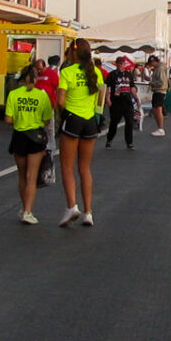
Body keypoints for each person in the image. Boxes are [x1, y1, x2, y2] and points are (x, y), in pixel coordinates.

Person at [56, 38, 105, 227]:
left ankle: (71, 206)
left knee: (67, 166)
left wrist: (62, 115)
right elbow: (101, 100)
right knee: (85, 168)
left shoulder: (67, 72)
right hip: (90, 120)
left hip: (72, 118)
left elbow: (60, 100)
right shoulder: (97, 73)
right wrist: (96, 117)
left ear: (73, 52)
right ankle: (89, 212)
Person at [5, 63, 55, 225]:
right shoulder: (42, 96)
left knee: (22, 176)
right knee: (32, 177)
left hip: (19, 136)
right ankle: (28, 211)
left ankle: (24, 207)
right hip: (36, 136)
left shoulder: (14, 94)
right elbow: (47, 120)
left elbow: (8, 119)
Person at [105, 56, 140, 149]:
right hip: (116, 101)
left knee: (129, 121)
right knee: (114, 122)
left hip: (127, 100)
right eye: (119, 63)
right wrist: (107, 98)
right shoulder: (112, 75)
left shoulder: (128, 75)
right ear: (117, 64)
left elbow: (132, 87)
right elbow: (107, 88)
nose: (121, 65)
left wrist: (136, 98)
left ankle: (129, 142)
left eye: (123, 63)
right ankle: (109, 139)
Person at [147, 55, 170, 137]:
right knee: (155, 109)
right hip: (158, 90)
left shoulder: (160, 69)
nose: (151, 65)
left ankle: (161, 128)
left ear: (154, 62)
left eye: (151, 63)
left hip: (160, 90)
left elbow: (161, 82)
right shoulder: (158, 69)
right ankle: (159, 128)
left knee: (158, 109)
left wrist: (153, 83)